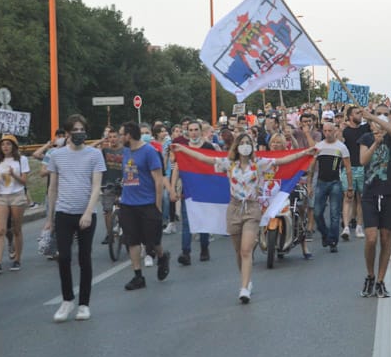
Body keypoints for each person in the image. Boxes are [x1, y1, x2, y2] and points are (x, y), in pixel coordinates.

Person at [174, 135, 314, 303]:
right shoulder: (229, 164)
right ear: (236, 146)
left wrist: (306, 152)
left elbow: (283, 161)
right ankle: (246, 279)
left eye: (248, 143)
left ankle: (244, 288)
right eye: (242, 143)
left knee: (247, 249)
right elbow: (205, 159)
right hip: (234, 209)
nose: (245, 146)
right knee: (239, 251)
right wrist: (184, 150)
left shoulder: (259, 164)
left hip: (252, 209)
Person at [45, 115, 106, 322]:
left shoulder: (95, 154)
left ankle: (84, 304)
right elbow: (52, 187)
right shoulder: (56, 155)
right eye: (75, 129)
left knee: (84, 258)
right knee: (63, 257)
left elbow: (96, 185)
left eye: (82, 129)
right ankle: (67, 299)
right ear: (68, 133)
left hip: (86, 213)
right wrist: (50, 217)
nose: (79, 132)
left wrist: (88, 212)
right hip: (63, 212)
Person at [117, 121, 171, 291]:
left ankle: (162, 257)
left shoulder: (149, 152)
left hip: (147, 203)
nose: (119, 137)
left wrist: (157, 205)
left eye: (121, 134)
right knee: (132, 240)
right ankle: (138, 276)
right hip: (128, 203)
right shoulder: (125, 151)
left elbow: (158, 180)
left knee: (152, 241)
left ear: (129, 135)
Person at [358, 110, 391, 298]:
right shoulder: (366, 138)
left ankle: (381, 280)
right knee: (371, 238)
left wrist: (375, 118)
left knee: (386, 238)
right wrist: (375, 143)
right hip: (370, 192)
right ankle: (370, 275)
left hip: (390, 193)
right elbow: (363, 161)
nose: (378, 127)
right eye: (375, 124)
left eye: (381, 124)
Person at [171, 120, 214, 265]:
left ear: (201, 131)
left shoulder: (208, 147)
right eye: (191, 130)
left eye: (196, 129)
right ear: (187, 132)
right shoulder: (182, 149)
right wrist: (173, 188)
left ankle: (204, 248)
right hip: (188, 190)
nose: (194, 132)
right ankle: (186, 252)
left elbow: (215, 166)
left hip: (205, 190)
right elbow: (177, 168)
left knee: (203, 222)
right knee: (187, 223)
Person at [0, 134, 30, 273]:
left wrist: (14, 175)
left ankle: (17, 259)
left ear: (14, 146)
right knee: (0, 230)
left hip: (17, 195)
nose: (5, 147)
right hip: (1, 196)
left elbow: (24, 181)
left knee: (16, 229)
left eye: (8, 144)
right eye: (3, 144)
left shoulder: (22, 160)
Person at [309, 122, 352, 253]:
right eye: (325, 131)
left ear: (335, 131)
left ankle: (333, 241)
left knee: (334, 214)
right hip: (321, 182)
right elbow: (311, 166)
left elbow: (348, 168)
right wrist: (309, 184)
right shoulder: (319, 146)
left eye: (330, 131)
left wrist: (350, 186)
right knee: (317, 213)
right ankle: (325, 234)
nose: (327, 133)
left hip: (335, 183)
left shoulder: (341, 147)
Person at [341, 106, 369, 239]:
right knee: (348, 197)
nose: (360, 115)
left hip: (363, 167)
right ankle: (346, 227)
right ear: (350, 116)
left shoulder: (365, 129)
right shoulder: (345, 131)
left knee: (361, 199)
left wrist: (367, 114)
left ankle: (359, 226)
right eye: (357, 113)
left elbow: (374, 124)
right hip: (349, 168)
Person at [99, 127, 125, 244]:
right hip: (108, 183)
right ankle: (109, 234)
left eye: (115, 137)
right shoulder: (105, 151)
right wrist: (101, 141)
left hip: (123, 183)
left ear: (119, 138)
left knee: (125, 209)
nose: (113, 139)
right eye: (110, 137)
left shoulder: (125, 151)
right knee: (107, 209)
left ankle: (126, 231)